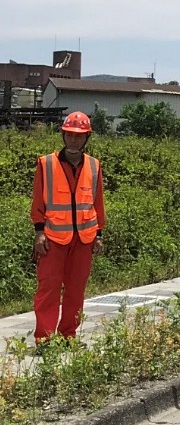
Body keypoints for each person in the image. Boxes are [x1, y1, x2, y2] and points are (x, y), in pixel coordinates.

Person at [30, 111, 106, 346]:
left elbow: (98, 203)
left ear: (87, 139)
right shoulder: (46, 163)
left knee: (76, 290)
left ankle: (68, 336)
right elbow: (38, 203)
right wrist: (39, 232)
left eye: (79, 136)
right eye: (70, 135)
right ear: (63, 136)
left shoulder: (94, 166)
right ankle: (44, 338)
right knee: (48, 289)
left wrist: (99, 234)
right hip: (52, 238)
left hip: (84, 239)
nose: (74, 140)